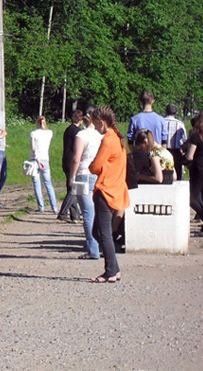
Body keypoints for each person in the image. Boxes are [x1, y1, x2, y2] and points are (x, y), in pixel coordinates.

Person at [88, 106, 129, 283]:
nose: (95, 128)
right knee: (98, 232)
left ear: (102, 123)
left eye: (96, 125)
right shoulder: (119, 138)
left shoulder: (108, 140)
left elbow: (95, 167)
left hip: (105, 190)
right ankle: (114, 268)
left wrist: (93, 166)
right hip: (116, 189)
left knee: (102, 233)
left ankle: (110, 271)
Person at [69, 111, 103, 260]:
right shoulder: (101, 136)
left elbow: (76, 158)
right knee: (95, 211)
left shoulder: (81, 135)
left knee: (88, 213)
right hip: (97, 174)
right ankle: (96, 244)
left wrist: (71, 177)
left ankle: (93, 248)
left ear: (84, 120)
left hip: (83, 173)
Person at [57, 109, 85, 221]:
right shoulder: (78, 132)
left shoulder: (68, 130)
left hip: (65, 161)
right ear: (80, 120)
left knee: (70, 189)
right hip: (72, 162)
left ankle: (75, 215)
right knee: (74, 189)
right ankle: (63, 213)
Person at [29, 117, 59, 213]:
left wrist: (37, 158)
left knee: (37, 184)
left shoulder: (33, 133)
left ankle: (41, 207)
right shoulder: (49, 133)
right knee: (48, 184)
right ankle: (54, 207)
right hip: (45, 160)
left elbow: (33, 149)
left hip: (35, 160)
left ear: (37, 123)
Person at [164, 104, 188, 180]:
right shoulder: (180, 124)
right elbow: (184, 139)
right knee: (177, 173)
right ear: (176, 113)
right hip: (176, 151)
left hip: (164, 150)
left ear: (166, 111)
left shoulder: (161, 122)